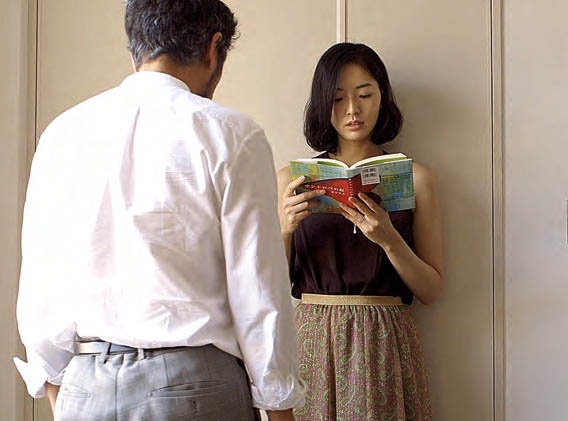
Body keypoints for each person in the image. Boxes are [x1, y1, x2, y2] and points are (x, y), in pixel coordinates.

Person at [15, 1, 305, 419]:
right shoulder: (231, 134)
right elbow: (258, 293)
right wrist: (279, 407)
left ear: (135, 49)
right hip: (195, 385)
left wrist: (67, 396)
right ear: (214, 49)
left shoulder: (63, 134)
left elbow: (41, 285)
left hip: (85, 385)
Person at [277, 42, 444, 420]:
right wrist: (285, 229)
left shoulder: (416, 178)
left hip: (385, 338)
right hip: (314, 337)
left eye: (365, 95)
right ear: (323, 104)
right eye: (338, 99)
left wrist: (389, 240)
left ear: (382, 97)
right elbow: (268, 286)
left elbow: (432, 290)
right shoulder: (292, 179)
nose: (353, 109)